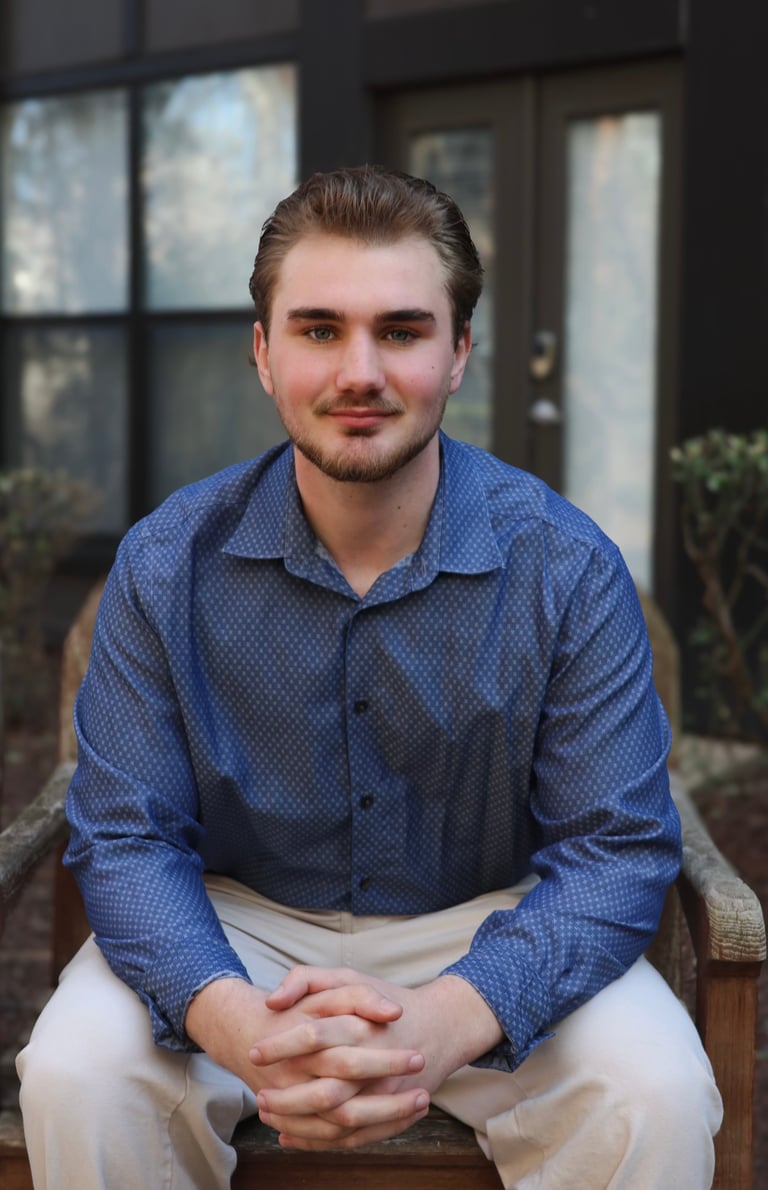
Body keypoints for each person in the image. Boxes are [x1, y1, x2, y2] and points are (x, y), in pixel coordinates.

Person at [17, 165, 722, 1189]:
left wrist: (448, 1015)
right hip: (235, 919)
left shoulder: (566, 568)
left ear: (459, 350)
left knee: (651, 1090)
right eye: (317, 329)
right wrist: (237, 1020)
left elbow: (615, 846)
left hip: (487, 918)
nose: (360, 371)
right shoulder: (167, 561)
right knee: (78, 1072)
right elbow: (125, 834)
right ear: (263, 352)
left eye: (400, 330)